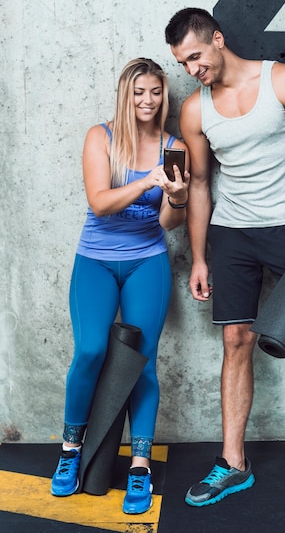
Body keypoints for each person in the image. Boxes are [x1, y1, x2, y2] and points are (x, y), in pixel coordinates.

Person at [165, 8, 285, 507]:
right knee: (236, 339)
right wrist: (199, 256)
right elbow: (201, 184)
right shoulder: (194, 111)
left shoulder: (282, 81)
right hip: (232, 233)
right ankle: (233, 462)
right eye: (183, 64)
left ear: (218, 40)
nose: (192, 70)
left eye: (196, 57)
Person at [50, 58, 189, 514]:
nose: (147, 101)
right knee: (90, 350)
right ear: (125, 95)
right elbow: (100, 203)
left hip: (147, 262)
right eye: (138, 92)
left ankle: (140, 466)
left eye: (154, 92)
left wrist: (177, 197)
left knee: (141, 365)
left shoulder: (174, 146)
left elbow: (169, 223)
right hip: (95, 260)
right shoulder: (101, 137)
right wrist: (150, 180)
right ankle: (71, 451)